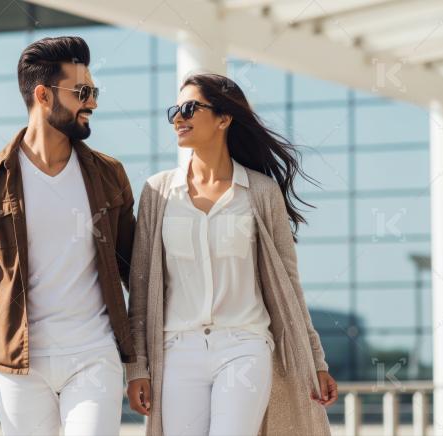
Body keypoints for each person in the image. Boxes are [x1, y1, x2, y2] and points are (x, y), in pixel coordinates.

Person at [0, 36, 137, 435]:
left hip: (94, 355)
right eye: (82, 92)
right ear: (43, 95)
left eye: (94, 92)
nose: (92, 102)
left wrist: (141, 363)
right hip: (18, 365)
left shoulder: (109, 175)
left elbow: (135, 271)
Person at [125, 73, 339, 435]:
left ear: (224, 118)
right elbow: (141, 286)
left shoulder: (261, 191)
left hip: (244, 346)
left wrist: (316, 359)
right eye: (174, 111)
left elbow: (288, 284)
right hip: (177, 350)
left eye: (189, 109)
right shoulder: (157, 192)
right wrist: (137, 368)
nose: (178, 119)